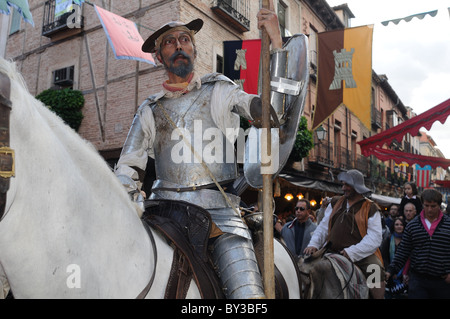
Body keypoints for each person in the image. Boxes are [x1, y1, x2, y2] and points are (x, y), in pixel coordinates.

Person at [113, 2, 303, 299]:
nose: (179, 46)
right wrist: (128, 206)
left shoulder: (218, 89)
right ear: (158, 55)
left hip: (220, 215)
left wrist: (277, 46)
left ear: (195, 49)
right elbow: (127, 167)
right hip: (162, 211)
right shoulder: (149, 109)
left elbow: (270, 114)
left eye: (185, 39)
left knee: (248, 299)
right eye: (170, 42)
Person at [304, 169, 385, 299]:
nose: (343, 188)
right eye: (342, 184)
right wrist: (314, 244)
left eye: (347, 185)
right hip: (331, 250)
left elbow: (375, 238)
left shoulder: (371, 208)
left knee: (375, 269)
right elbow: (323, 227)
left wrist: (352, 252)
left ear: (356, 186)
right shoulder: (335, 202)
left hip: (362, 255)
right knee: (306, 268)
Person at [386, 189, 450, 298]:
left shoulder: (448, 224)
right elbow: (403, 251)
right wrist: (390, 271)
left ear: (439, 205)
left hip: (442, 281)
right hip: (418, 280)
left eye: (433, 206)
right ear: (422, 204)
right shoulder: (412, 226)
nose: (429, 209)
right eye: (426, 205)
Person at [381, 217, 407, 298]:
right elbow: (384, 257)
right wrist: (390, 271)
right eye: (397, 224)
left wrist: (401, 273)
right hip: (389, 275)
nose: (399, 226)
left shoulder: (408, 240)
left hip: (404, 275)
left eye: (401, 225)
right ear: (393, 226)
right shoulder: (388, 239)